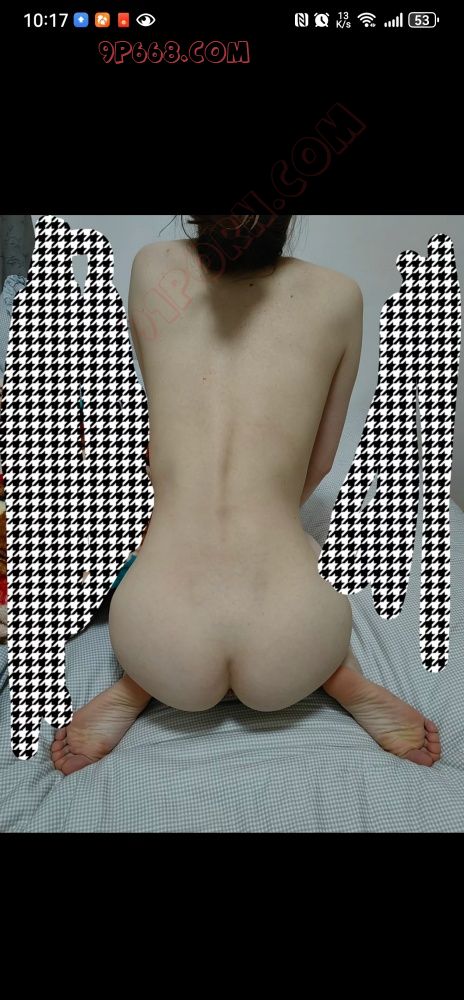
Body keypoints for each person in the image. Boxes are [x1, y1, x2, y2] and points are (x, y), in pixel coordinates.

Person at [51, 215, 441, 775]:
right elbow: (321, 463)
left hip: (158, 639)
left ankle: (136, 686)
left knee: (137, 536)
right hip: (298, 642)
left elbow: (157, 418)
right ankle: (340, 677)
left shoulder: (152, 269)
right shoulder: (340, 296)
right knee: (308, 546)